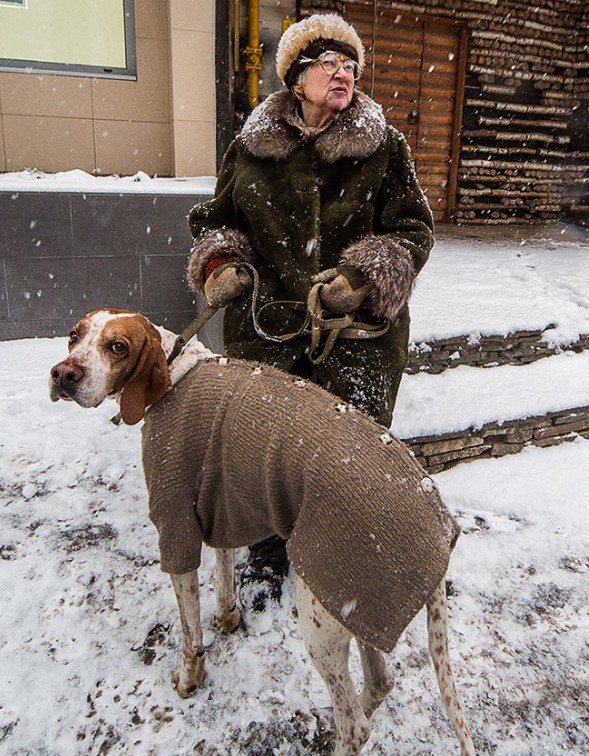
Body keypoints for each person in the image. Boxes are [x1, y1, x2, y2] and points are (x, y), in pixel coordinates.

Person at [186, 13, 434, 609]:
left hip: (358, 332)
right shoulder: (251, 147)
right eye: (328, 64)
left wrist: (361, 276)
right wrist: (221, 264)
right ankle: (269, 551)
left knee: (351, 450)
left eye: (350, 66)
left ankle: (341, 552)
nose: (342, 74)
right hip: (267, 327)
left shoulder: (385, 146)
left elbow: (413, 230)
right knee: (263, 448)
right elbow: (218, 220)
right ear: (297, 78)